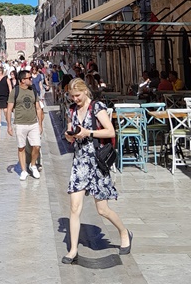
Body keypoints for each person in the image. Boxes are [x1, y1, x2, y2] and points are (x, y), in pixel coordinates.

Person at [62, 77, 131, 264]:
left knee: (103, 210)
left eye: (77, 95)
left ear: (85, 92)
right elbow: (71, 133)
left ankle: (124, 232)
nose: (75, 99)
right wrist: (70, 136)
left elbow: (110, 132)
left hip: (97, 162)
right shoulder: (72, 110)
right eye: (72, 96)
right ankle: (73, 250)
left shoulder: (97, 107)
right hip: (80, 163)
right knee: (74, 208)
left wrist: (88, 133)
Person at [6, 69, 44, 181]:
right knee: (21, 147)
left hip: (33, 123)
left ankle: (32, 165)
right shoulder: (15, 91)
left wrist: (40, 124)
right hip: (20, 124)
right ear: (23, 80)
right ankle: (23, 170)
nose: (31, 79)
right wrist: (9, 125)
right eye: (29, 78)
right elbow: (9, 109)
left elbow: (38, 108)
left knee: (36, 146)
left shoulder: (33, 90)